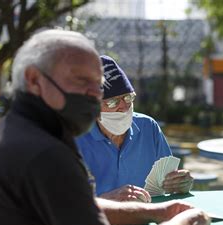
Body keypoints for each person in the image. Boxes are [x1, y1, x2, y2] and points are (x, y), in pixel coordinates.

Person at [0, 29, 210, 225]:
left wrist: (157, 212)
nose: (95, 96)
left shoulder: (21, 131)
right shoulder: (45, 153)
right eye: (82, 82)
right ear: (34, 80)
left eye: (98, 85)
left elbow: (78, 206)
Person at [75, 55, 193, 202]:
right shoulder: (74, 138)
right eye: (112, 102)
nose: (124, 107)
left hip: (149, 219)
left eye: (128, 97)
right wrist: (106, 200)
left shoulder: (148, 128)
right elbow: (62, 203)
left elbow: (168, 181)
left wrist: (180, 184)